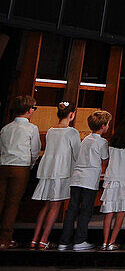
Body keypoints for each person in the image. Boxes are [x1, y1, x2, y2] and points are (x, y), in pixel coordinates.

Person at [58, 110, 111, 251]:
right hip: (90, 179)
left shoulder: (86, 139)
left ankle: (64, 241)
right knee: (86, 211)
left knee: (72, 210)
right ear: (103, 126)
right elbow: (104, 160)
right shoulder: (102, 142)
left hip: (76, 178)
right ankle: (80, 240)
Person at [30, 101, 80, 249]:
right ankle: (44, 240)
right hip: (62, 170)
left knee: (46, 205)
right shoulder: (72, 132)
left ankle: (34, 239)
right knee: (55, 205)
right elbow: (77, 154)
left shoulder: (51, 130)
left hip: (48, 169)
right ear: (71, 115)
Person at [0, 96, 40, 249]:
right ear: (30, 110)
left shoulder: (6, 128)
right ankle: (4, 239)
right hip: (21, 166)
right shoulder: (31, 128)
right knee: (12, 204)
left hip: (3, 165)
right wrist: (30, 164)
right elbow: (35, 150)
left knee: (1, 200)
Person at [101, 114, 125, 250]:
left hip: (111, 177)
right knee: (121, 212)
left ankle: (105, 242)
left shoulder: (112, 140)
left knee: (109, 211)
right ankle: (112, 241)